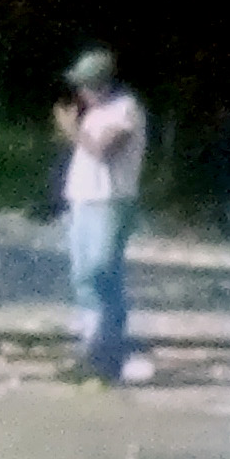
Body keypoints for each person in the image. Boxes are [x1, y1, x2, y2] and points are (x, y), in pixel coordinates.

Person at [53, 48, 147, 384]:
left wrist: (70, 128)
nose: (80, 91)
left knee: (103, 273)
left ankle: (108, 353)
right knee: (83, 276)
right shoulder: (94, 112)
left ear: (101, 83)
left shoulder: (126, 109)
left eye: (85, 84)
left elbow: (103, 150)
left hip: (111, 203)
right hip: (83, 201)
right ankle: (90, 348)